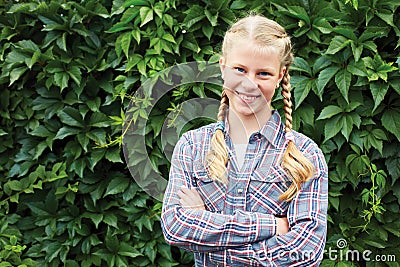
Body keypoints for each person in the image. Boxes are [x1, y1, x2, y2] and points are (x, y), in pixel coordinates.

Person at [161, 14, 328, 266]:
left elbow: (305, 253)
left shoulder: (304, 155)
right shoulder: (192, 146)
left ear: (281, 75)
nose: (249, 84)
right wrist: (272, 224)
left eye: (263, 73)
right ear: (222, 67)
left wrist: (205, 225)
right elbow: (175, 227)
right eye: (240, 70)